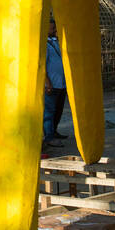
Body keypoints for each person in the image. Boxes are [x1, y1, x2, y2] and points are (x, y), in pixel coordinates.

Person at [43, 17, 68, 147]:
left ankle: (54, 131)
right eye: (52, 27)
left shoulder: (56, 42)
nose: (54, 29)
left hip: (61, 83)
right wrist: (47, 83)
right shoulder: (44, 44)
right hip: (51, 84)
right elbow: (42, 65)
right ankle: (49, 137)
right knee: (49, 111)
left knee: (58, 110)